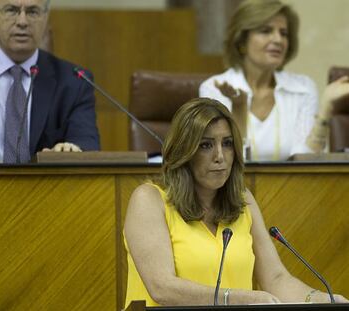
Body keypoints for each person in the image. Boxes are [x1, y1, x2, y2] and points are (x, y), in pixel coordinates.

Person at [123, 98, 348, 307]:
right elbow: (162, 288)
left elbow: (276, 279)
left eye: (228, 143)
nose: (220, 155)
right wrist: (238, 298)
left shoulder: (242, 200)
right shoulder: (149, 200)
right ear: (184, 151)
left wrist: (319, 299)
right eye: (206, 145)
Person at [0, 0, 100, 164]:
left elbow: (87, 142)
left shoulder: (74, 81)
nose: (22, 22)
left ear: (46, 16)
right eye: (11, 10)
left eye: (33, 11)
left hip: (44, 187)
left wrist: (71, 151)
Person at [199, 0, 349, 161]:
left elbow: (306, 162)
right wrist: (239, 108)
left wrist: (325, 108)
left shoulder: (303, 88)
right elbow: (222, 161)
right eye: (266, 31)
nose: (278, 40)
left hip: (292, 185)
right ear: (242, 41)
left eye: (283, 33)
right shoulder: (213, 89)